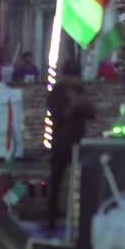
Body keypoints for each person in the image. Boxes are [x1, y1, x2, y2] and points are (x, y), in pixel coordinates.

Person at [45, 61, 95, 235]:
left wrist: (83, 103)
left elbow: (92, 114)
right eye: (71, 76)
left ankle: (78, 221)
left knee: (80, 182)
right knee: (56, 182)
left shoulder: (81, 92)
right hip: (61, 143)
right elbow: (58, 118)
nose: (74, 80)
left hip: (78, 142)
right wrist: (73, 104)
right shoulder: (56, 93)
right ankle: (51, 220)